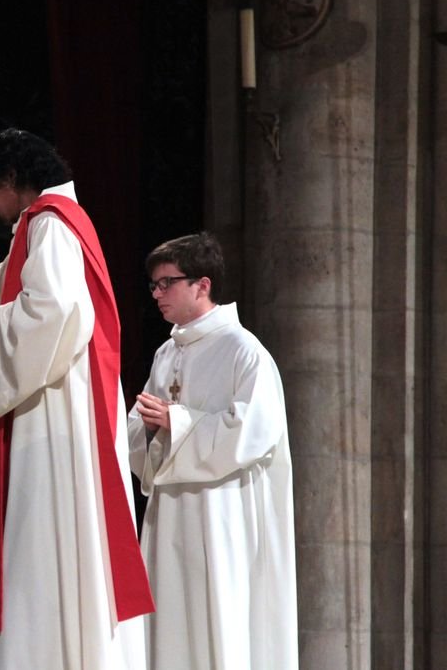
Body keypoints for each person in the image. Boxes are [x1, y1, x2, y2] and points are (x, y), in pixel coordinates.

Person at [0, 128, 153, 669]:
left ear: (14, 179)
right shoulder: (46, 223)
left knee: (51, 540)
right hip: (63, 400)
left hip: (59, 410)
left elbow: (58, 311)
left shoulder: (49, 223)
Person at [127, 232, 297, 670]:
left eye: (167, 283)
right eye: (153, 285)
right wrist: (149, 428)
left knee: (216, 623)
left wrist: (176, 421)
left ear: (202, 285)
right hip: (169, 516)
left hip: (220, 516)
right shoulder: (167, 352)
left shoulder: (245, 352)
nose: (157, 294)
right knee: (168, 625)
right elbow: (140, 423)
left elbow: (251, 433)